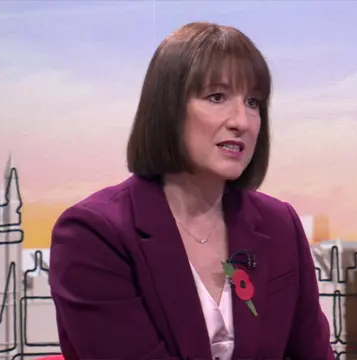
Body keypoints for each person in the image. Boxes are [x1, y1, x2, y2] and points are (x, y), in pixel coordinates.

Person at [49, 22, 335, 360]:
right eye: (217, 97)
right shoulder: (93, 234)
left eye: (253, 102)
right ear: (167, 109)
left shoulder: (279, 224)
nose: (241, 121)